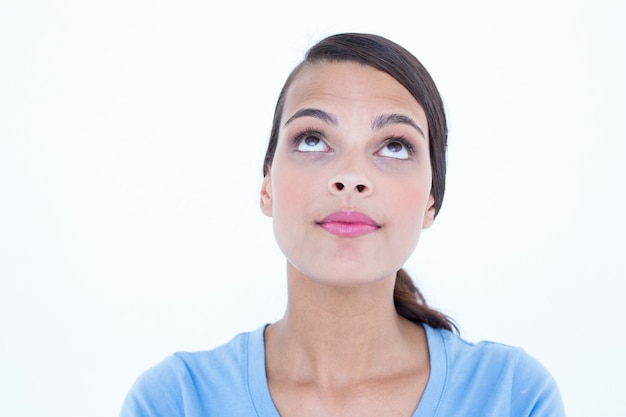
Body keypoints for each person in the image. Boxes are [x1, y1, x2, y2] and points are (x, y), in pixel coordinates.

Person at [120, 33, 565, 416]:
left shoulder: (511, 396)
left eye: (393, 146)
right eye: (313, 139)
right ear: (267, 187)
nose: (351, 176)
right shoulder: (174, 400)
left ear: (431, 201)